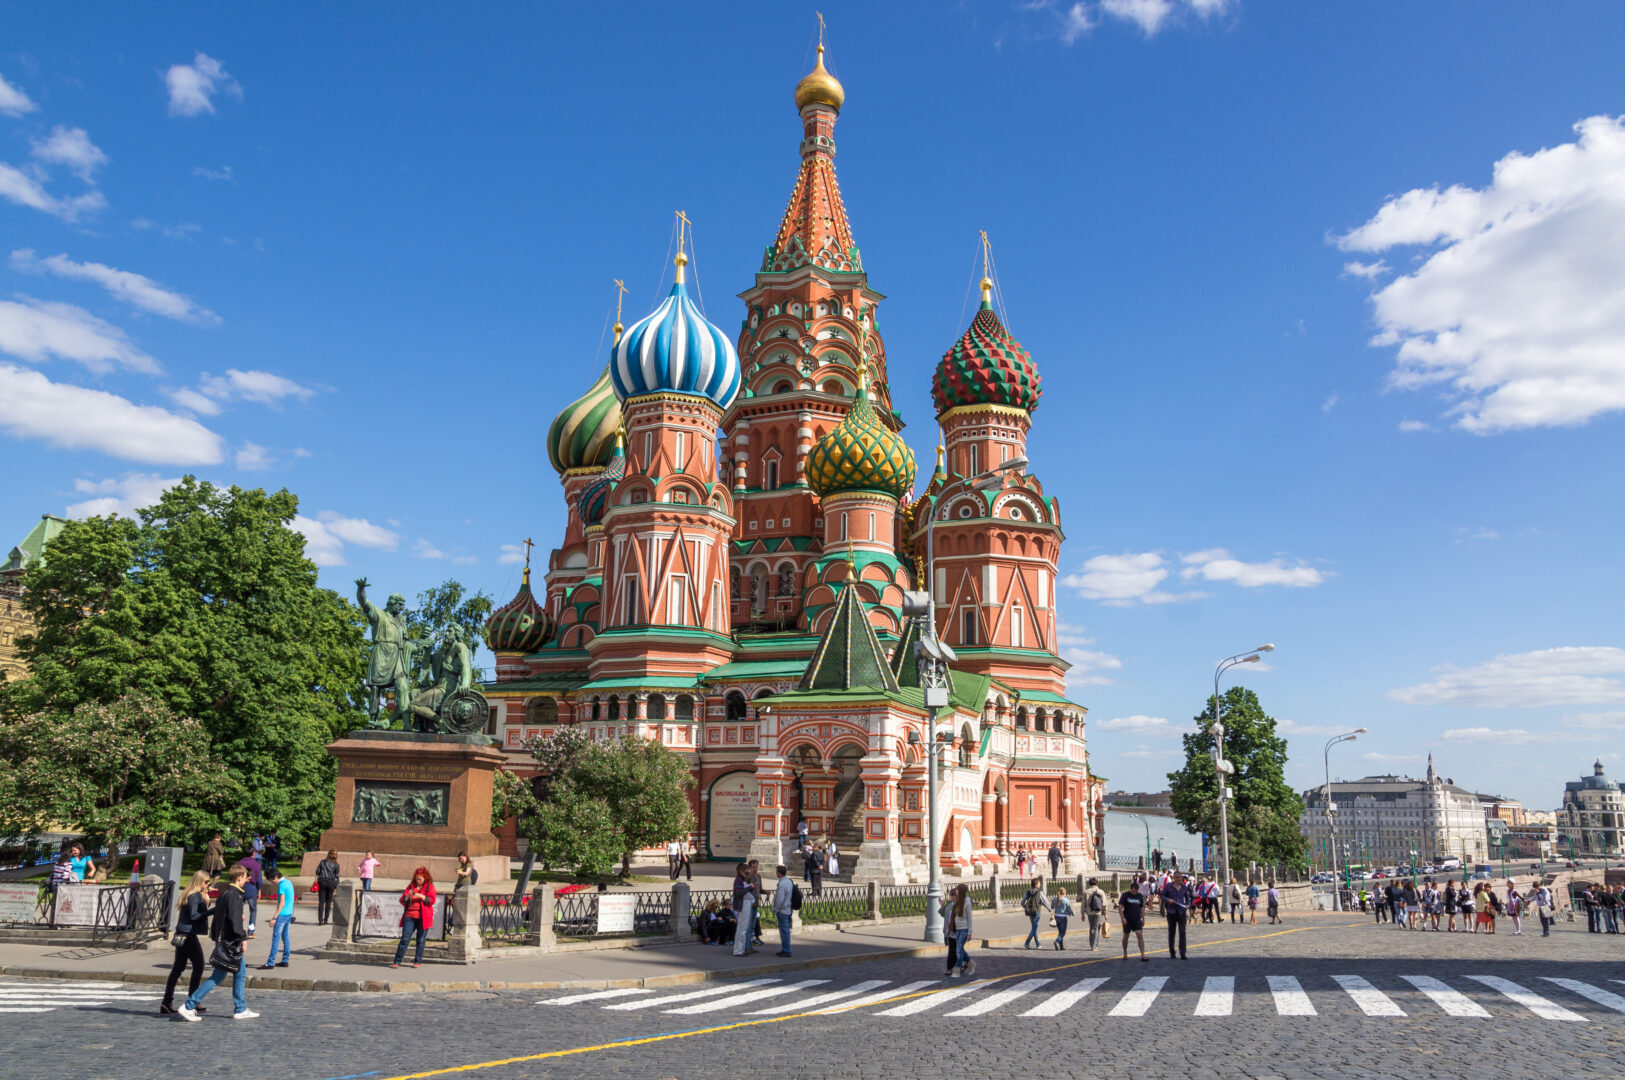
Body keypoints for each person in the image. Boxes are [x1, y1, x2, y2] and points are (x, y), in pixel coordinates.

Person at [176, 864, 255, 1021]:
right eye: (245, 878)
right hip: (231, 942)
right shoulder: (234, 895)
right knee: (217, 977)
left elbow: (220, 917)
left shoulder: (225, 892)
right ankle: (188, 1005)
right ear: (239, 878)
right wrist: (243, 938)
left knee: (240, 974)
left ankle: (240, 1008)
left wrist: (216, 937)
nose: (246, 881)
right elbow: (234, 921)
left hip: (226, 940)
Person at [162, 871, 213, 1015]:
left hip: (180, 933)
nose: (208, 885)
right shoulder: (194, 895)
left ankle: (166, 1002)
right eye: (206, 882)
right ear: (199, 882)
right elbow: (194, 916)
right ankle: (193, 1001)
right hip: (188, 935)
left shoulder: (189, 894)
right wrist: (212, 911)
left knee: (178, 967)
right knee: (199, 965)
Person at [390, 867, 437, 968]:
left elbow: (431, 900)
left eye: (420, 879)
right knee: (405, 939)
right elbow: (402, 901)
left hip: (423, 917)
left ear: (425, 878)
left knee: (421, 940)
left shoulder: (429, 887)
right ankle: (397, 961)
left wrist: (421, 896)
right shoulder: (411, 886)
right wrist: (407, 896)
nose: (418, 881)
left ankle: (417, 961)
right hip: (409, 916)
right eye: (416, 879)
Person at [258, 867, 295, 969]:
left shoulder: (281, 885)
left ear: (275, 876)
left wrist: (274, 917)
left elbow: (282, 903)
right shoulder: (289, 882)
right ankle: (285, 960)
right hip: (289, 914)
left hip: (282, 915)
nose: (272, 882)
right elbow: (291, 900)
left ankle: (270, 962)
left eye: (272, 880)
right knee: (285, 937)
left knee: (276, 939)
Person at [942, 883, 974, 977]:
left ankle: (956, 971)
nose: (956, 891)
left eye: (958, 890)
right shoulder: (956, 902)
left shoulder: (967, 902)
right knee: (958, 949)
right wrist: (943, 906)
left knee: (958, 950)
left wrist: (969, 932)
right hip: (957, 929)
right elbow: (949, 912)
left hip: (964, 929)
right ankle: (971, 964)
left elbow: (969, 918)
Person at [1161, 871, 1193, 959]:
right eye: (1177, 877)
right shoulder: (1168, 886)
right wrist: (1168, 900)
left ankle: (1183, 953)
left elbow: (1188, 898)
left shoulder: (1184, 888)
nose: (1179, 879)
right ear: (1174, 878)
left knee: (1182, 932)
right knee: (1172, 933)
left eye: (1180, 877)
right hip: (1171, 912)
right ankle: (1172, 952)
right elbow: (1162, 895)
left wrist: (1188, 905)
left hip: (1181, 912)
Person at [445, 852, 478, 930]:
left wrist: (461, 872)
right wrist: (456, 886)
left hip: (466, 885)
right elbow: (460, 877)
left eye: (462, 858)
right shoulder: (462, 866)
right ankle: (453, 920)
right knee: (457, 904)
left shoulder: (469, 865)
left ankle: (453, 921)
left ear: (466, 857)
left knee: (462, 904)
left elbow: (467, 873)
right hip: (460, 885)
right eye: (459, 859)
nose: (461, 860)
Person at [732, 864, 759, 957]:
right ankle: (738, 950)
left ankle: (741, 949)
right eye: (747, 873)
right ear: (741, 872)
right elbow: (738, 893)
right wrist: (749, 887)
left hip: (746, 904)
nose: (748, 874)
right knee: (742, 929)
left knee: (744, 928)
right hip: (743, 905)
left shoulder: (742, 880)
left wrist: (750, 887)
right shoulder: (738, 880)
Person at [1119, 877, 1148, 962]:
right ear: (1130, 889)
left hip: (1137, 919)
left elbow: (1142, 908)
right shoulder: (1125, 895)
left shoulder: (1140, 896)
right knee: (1126, 936)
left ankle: (1142, 954)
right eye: (1132, 891)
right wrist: (1122, 918)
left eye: (1135, 891)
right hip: (1127, 919)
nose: (1134, 893)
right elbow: (1120, 908)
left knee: (1140, 935)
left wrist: (1143, 918)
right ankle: (1125, 953)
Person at [235, 851, 263, 938]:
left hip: (240, 889)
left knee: (238, 910)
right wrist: (259, 890)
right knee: (253, 910)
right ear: (253, 854)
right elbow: (259, 879)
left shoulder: (238, 864)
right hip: (252, 889)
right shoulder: (257, 865)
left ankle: (238, 929)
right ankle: (251, 931)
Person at [770, 864, 795, 957]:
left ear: (779, 873)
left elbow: (780, 899)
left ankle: (786, 950)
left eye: (776, 871)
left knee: (784, 932)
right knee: (786, 931)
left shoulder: (782, 884)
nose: (776, 873)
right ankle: (786, 949)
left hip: (782, 910)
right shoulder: (788, 881)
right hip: (788, 909)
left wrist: (775, 909)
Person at [1022, 877, 1050, 949]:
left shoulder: (1028, 892)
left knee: (1034, 928)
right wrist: (1050, 909)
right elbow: (1045, 902)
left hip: (1030, 912)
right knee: (1034, 928)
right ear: (1037, 884)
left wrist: (1027, 908)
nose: (1040, 884)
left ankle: (1038, 944)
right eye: (1039, 883)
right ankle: (1027, 943)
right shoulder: (1039, 892)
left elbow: (1022, 903)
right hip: (1037, 911)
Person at [1083, 877, 1108, 951]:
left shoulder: (1086, 892)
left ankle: (1092, 945)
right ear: (1097, 883)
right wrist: (1105, 913)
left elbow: (1083, 904)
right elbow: (1104, 904)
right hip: (1098, 912)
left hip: (1089, 912)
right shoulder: (1100, 891)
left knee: (1091, 928)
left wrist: (1082, 914)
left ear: (1089, 884)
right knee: (1096, 928)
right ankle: (1094, 946)